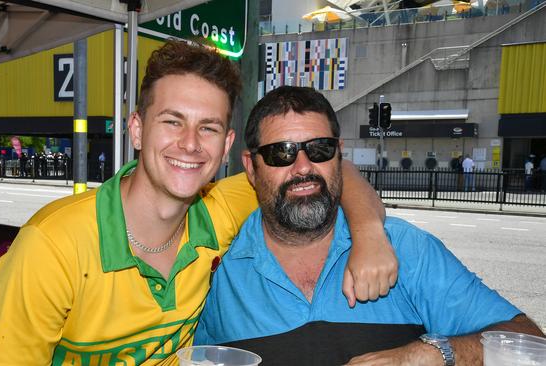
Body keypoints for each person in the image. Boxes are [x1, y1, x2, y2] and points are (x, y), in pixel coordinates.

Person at [0, 41, 397, 366]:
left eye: (208, 127)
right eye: (172, 121)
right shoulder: (53, 246)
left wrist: (368, 233)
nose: (190, 143)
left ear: (226, 148)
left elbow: (333, 173)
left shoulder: (221, 209)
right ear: (137, 129)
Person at [194, 86, 545, 365]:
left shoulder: (407, 249)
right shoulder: (215, 270)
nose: (303, 167)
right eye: (280, 153)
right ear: (251, 168)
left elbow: (530, 342)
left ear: (339, 155)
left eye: (320, 149)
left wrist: (426, 355)